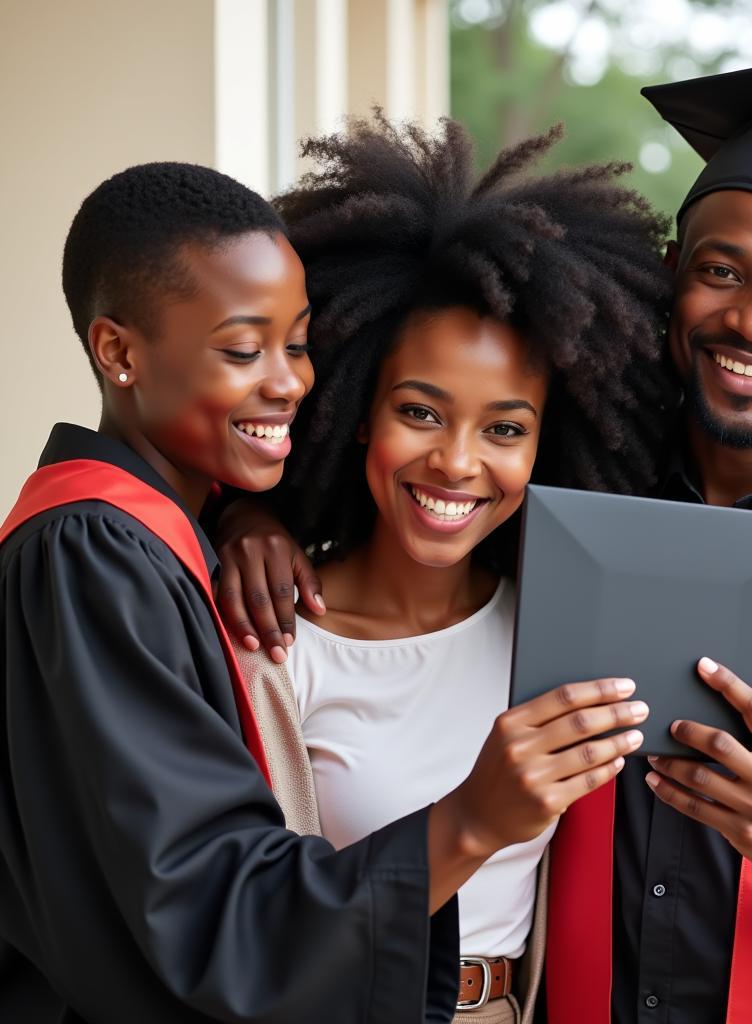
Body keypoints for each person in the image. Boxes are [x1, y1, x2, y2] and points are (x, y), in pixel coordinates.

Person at [227, 54, 752, 1024]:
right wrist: (252, 514)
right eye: (719, 271)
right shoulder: (574, 472)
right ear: (668, 276)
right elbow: (417, 493)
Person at [0, 162, 643, 1024]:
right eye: (242, 349)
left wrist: (244, 515)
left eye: (298, 344)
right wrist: (470, 820)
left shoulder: (175, 544)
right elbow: (214, 910)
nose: (289, 382)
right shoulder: (93, 554)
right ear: (119, 351)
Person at [213, 115, 673, 1022]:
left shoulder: (556, 637)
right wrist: (238, 511)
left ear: (549, 445)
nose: (458, 464)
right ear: (353, 409)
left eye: (505, 429)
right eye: (420, 412)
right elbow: (241, 915)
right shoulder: (272, 638)